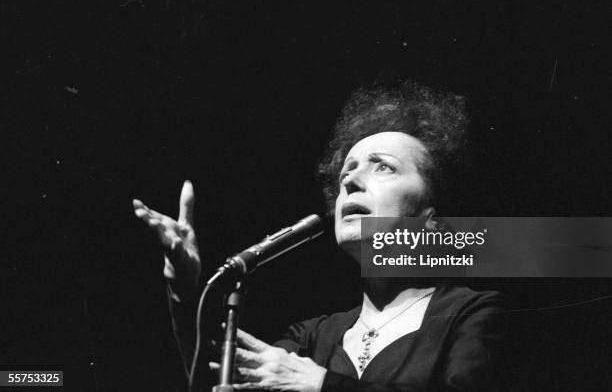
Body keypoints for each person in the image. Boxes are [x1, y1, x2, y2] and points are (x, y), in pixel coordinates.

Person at [133, 80, 507, 391]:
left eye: (383, 167)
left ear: (432, 218)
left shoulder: (473, 314)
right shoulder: (314, 337)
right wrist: (182, 290)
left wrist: (322, 385)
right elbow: (218, 377)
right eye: (348, 170)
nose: (350, 180)